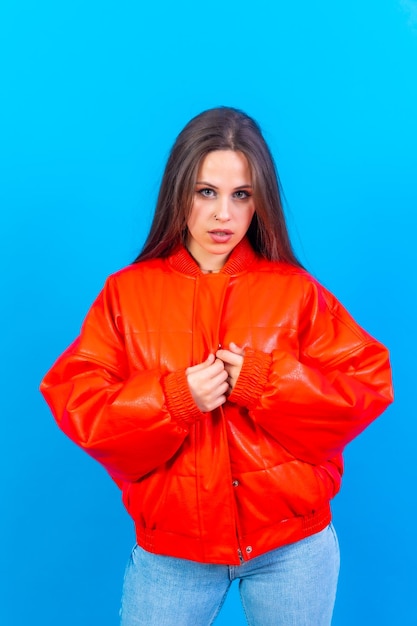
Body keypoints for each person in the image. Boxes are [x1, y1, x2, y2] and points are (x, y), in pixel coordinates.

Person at [40, 106, 393, 626]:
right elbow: (79, 403)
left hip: (293, 548)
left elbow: (366, 385)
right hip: (173, 553)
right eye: (207, 192)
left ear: (260, 201)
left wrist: (263, 382)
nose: (223, 215)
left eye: (241, 195)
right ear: (179, 191)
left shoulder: (295, 292)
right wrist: (175, 399)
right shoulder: (126, 293)